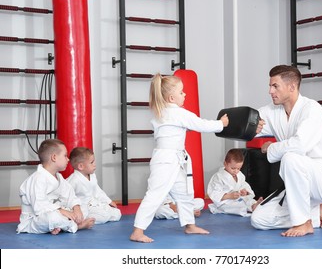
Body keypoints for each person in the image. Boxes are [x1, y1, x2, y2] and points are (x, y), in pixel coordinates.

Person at [129, 73, 229, 243]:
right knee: (154, 194)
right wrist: (221, 123)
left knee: (184, 194)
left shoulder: (162, 113)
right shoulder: (178, 113)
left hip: (173, 160)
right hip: (167, 160)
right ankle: (137, 231)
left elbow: (174, 130)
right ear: (171, 97)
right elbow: (201, 124)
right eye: (181, 92)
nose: (185, 95)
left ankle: (189, 225)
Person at [250, 65, 322, 237]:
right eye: (270, 86)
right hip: (298, 186)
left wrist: (270, 147)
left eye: (275, 86)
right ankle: (313, 215)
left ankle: (303, 223)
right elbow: (251, 122)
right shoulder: (272, 111)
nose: (270, 91)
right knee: (259, 219)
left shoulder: (311, 109)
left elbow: (300, 145)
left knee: (290, 157)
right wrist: (224, 125)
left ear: (292, 87)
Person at [16, 139, 95, 235]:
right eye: (65, 156)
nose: (68, 159)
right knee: (52, 218)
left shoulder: (59, 177)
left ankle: (60, 226)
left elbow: (70, 195)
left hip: (58, 212)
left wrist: (76, 208)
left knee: (84, 209)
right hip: (35, 219)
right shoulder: (38, 178)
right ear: (54, 157)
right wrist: (63, 212)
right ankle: (76, 226)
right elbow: (39, 207)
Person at [67, 147, 122, 224]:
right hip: (82, 207)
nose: (95, 164)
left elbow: (97, 191)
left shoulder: (92, 176)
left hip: (93, 204)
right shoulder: (73, 180)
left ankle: (96, 215)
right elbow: (67, 196)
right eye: (91, 162)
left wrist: (109, 201)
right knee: (103, 216)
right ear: (81, 166)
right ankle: (84, 220)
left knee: (117, 213)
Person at [207, 148, 262, 217]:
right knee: (236, 206)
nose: (236, 171)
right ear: (225, 164)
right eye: (233, 168)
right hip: (225, 202)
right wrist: (229, 196)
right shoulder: (218, 177)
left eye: (238, 168)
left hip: (239, 199)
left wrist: (245, 192)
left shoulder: (240, 175)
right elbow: (214, 193)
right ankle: (251, 208)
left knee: (248, 200)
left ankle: (254, 205)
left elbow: (244, 185)